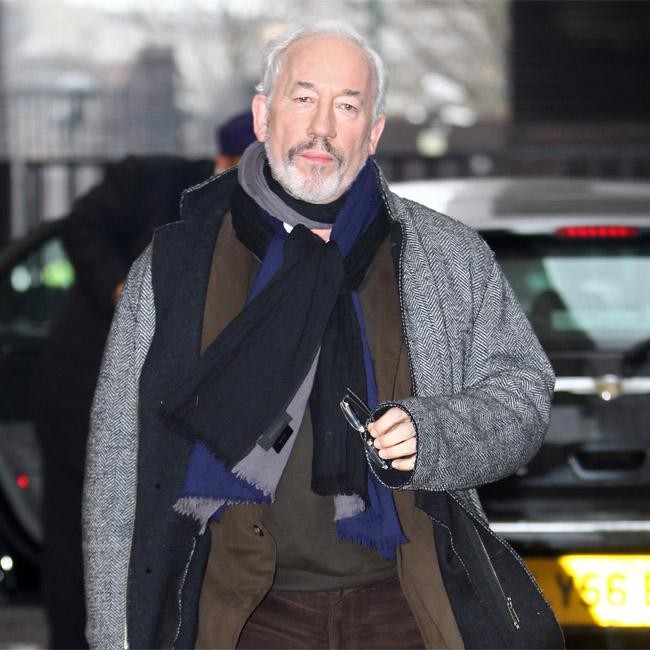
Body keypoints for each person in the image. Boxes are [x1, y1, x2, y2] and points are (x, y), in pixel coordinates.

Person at [83, 21, 564, 650]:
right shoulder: (177, 265)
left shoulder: (445, 256)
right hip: (239, 617)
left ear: (374, 132)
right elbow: (118, 462)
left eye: (347, 106)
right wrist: (114, 634)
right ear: (263, 116)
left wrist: (434, 432)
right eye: (303, 98)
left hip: (407, 608)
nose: (322, 128)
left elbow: (522, 396)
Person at [33, 112, 255, 649]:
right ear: (225, 161)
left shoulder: (267, 225)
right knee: (84, 540)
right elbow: (80, 225)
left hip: (175, 416)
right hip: (83, 393)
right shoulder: (149, 180)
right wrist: (122, 289)